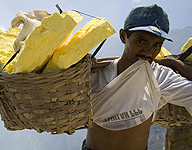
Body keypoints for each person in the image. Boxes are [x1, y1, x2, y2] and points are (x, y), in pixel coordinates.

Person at [82, 4, 192, 150]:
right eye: (141, 41)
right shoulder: (97, 73)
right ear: (123, 36)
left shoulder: (159, 76)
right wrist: (77, 67)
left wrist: (175, 64)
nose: (148, 51)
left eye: (157, 45)